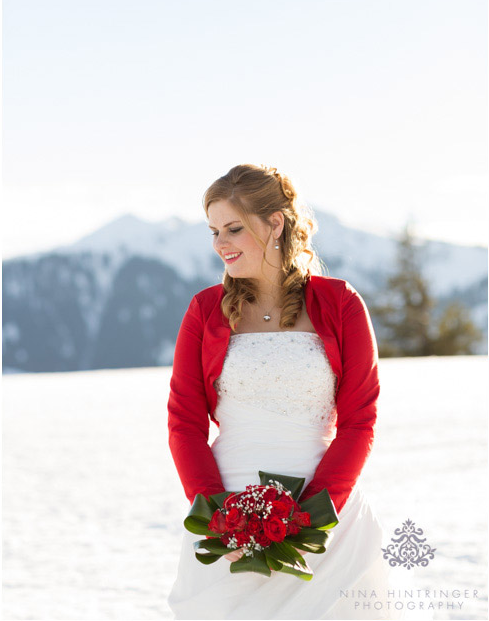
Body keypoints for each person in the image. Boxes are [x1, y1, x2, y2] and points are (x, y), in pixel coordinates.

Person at [166, 164, 395, 619]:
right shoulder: (205, 310)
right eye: (213, 231)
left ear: (276, 223)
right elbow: (184, 423)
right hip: (225, 514)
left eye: (233, 228)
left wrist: (314, 513)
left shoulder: (341, 303)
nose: (220, 244)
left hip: (330, 519)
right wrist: (217, 518)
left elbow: (359, 421)